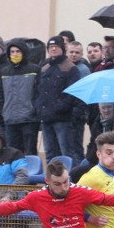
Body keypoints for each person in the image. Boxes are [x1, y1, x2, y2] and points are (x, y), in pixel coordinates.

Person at [35, 36, 82, 164]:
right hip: (46, 119)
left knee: (67, 153)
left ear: (62, 48)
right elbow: (37, 89)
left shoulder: (71, 68)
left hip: (63, 119)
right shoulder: (45, 67)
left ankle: (71, 181)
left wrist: (58, 108)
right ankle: (52, 181)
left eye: (56, 46)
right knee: (50, 154)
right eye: (51, 47)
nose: (53, 49)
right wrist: (39, 107)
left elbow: (72, 94)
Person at [0, 38, 40, 156]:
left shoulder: (34, 69)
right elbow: (0, 94)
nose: (15, 54)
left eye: (18, 51)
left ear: (24, 52)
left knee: (30, 153)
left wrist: (34, 111)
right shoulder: (4, 72)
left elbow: (38, 93)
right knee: (12, 154)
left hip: (29, 118)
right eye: (12, 52)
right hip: (10, 119)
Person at [71, 102, 114, 183]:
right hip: (97, 162)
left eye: (109, 107)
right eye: (103, 108)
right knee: (74, 173)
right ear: (99, 108)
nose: (106, 110)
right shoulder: (97, 123)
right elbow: (92, 145)